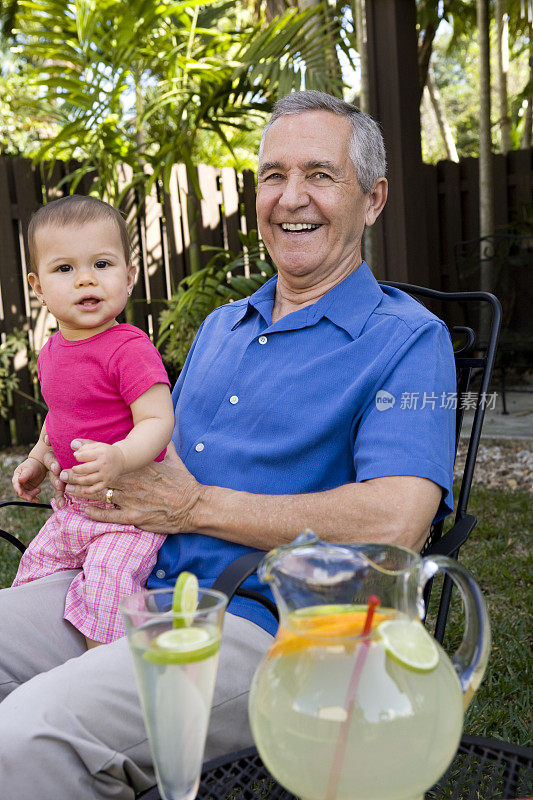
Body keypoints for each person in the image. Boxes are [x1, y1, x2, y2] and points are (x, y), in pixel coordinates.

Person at [0, 91, 456, 799]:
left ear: (372, 199)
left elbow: (395, 522)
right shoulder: (222, 325)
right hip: (125, 581)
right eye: (272, 175)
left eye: (319, 174)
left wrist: (196, 507)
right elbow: (143, 442)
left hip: (267, 624)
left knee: (24, 740)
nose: (290, 197)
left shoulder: (407, 340)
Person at [10, 195, 174, 648]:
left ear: (129, 276)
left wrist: (119, 456)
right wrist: (39, 457)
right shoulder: (51, 352)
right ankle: (38, 660)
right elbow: (61, 413)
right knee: (30, 580)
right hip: (72, 510)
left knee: (108, 591)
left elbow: (158, 420)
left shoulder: (129, 349)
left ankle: (101, 676)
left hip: (128, 514)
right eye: (64, 269)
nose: (85, 278)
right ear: (37, 287)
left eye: (102, 264)